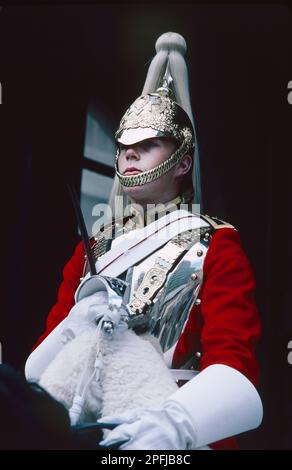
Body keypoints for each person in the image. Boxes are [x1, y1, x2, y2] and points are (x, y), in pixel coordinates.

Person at [24, 32, 263, 450]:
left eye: (147, 144)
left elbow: (234, 363)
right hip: (82, 424)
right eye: (123, 147)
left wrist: (177, 426)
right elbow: (39, 372)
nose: (129, 156)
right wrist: (71, 328)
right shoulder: (92, 247)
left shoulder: (217, 243)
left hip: (171, 424)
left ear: (182, 161)